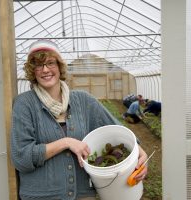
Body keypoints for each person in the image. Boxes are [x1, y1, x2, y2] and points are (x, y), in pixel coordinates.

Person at [10, 39, 148, 200]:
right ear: (32, 71)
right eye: (38, 65)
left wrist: (140, 155)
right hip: (41, 196)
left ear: (59, 66)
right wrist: (66, 142)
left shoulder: (83, 100)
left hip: (83, 194)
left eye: (50, 63)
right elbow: (21, 157)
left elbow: (117, 131)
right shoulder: (25, 104)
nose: (45, 70)